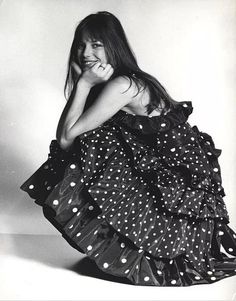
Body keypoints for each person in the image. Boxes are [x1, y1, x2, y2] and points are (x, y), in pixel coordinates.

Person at [20, 11, 236, 286]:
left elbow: (65, 139)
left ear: (113, 46)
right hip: (167, 186)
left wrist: (83, 84)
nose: (86, 52)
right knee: (96, 140)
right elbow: (71, 134)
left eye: (96, 44)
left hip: (174, 198)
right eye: (81, 45)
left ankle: (129, 251)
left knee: (89, 144)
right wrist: (84, 84)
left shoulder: (123, 85)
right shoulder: (125, 80)